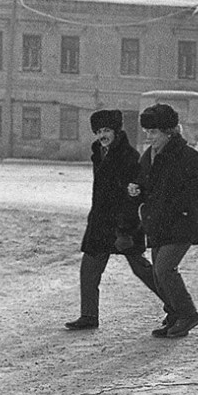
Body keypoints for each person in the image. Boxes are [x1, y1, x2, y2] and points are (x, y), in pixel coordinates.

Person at [65, 109, 160, 330]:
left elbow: (132, 196)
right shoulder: (99, 152)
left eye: (106, 130)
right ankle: (89, 316)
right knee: (89, 269)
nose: (102, 135)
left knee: (141, 269)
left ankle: (176, 307)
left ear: (117, 131)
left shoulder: (129, 157)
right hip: (100, 222)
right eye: (98, 131)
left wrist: (125, 230)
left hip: (123, 223)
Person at [129, 103, 198, 339]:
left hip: (181, 224)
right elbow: (143, 181)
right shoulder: (151, 155)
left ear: (169, 132)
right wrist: (136, 189)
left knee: (165, 269)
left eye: (153, 132)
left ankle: (188, 314)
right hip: (157, 224)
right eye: (147, 132)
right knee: (158, 273)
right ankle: (175, 315)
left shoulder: (188, 157)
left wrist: (178, 203)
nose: (148, 137)